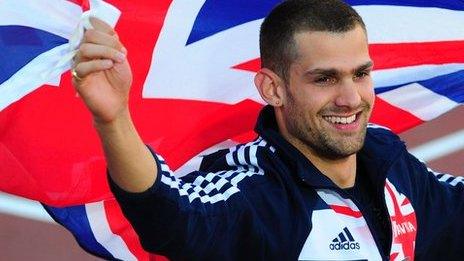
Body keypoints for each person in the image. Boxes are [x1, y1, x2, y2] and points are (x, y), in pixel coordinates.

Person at [71, 0, 464, 260]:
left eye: (360, 74)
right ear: (272, 88)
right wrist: (114, 118)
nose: (350, 98)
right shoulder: (255, 193)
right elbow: (171, 213)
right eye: (324, 80)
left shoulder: (389, 161)